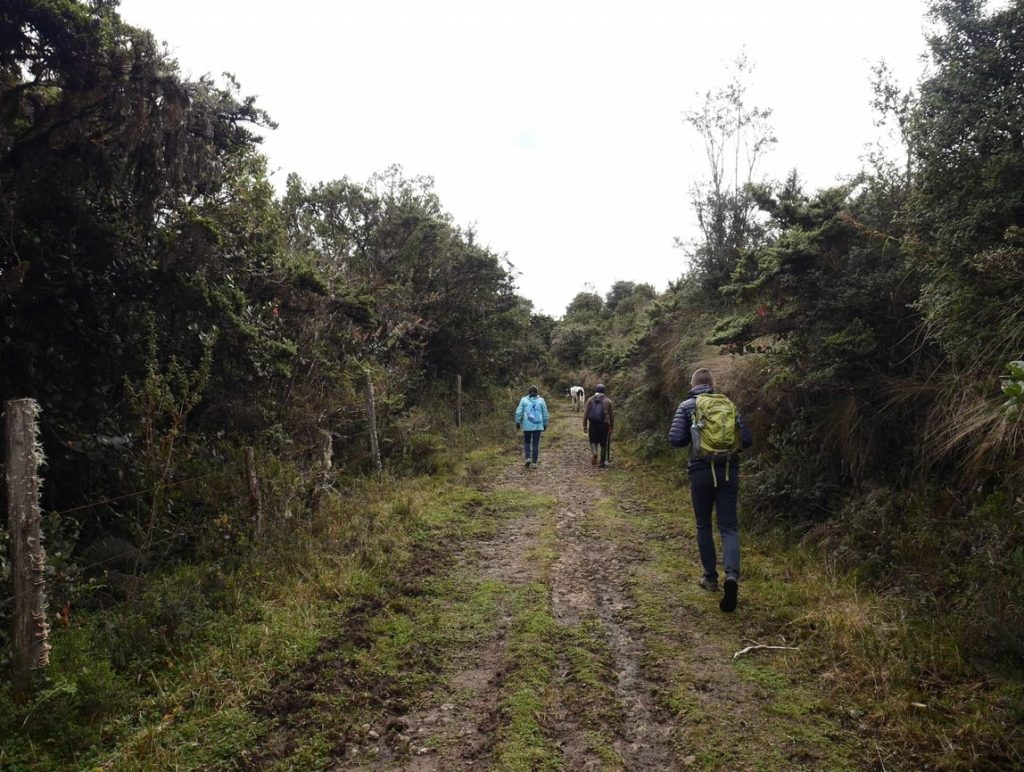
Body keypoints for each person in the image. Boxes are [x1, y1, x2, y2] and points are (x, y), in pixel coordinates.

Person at [668, 368, 752, 612]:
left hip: (701, 470)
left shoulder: (687, 406)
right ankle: (732, 576)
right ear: (713, 384)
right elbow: (746, 440)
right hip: (728, 470)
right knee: (729, 526)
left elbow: (675, 439)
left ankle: (710, 578)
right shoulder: (728, 404)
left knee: (704, 524)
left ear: (692, 384)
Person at [515, 385, 549, 468]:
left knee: (527, 442)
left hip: (527, 426)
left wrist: (518, 422)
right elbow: (545, 414)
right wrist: (545, 424)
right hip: (538, 426)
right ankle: (534, 463)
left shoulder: (523, 400)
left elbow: (519, 412)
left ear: (528, 392)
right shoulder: (541, 400)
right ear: (537, 393)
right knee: (535, 444)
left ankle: (528, 458)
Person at [582, 383, 614, 468]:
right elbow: (611, 415)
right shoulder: (608, 401)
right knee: (603, 444)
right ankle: (602, 462)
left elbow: (586, 413)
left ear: (595, 390)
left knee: (593, 441)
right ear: (604, 391)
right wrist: (612, 427)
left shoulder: (590, 400)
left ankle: (595, 453)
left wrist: (584, 425)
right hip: (604, 425)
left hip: (593, 425)